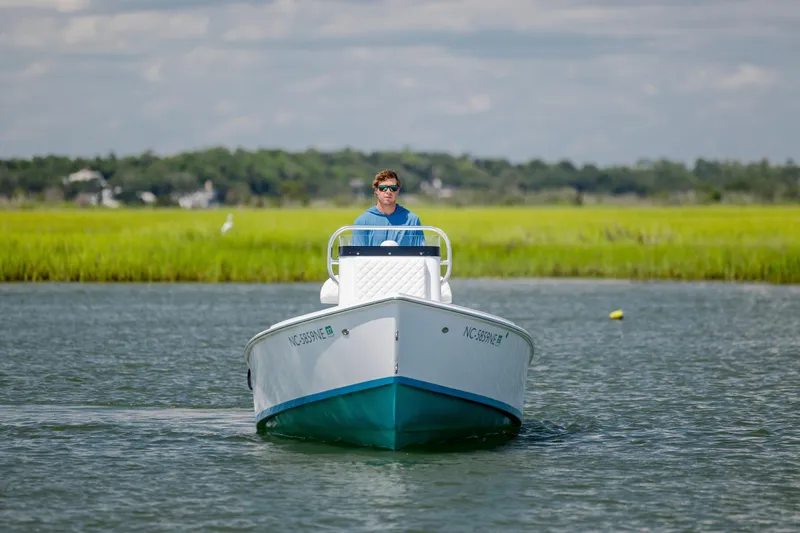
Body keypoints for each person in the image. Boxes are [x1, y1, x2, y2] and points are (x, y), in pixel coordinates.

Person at [352, 169, 425, 246]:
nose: (388, 191)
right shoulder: (362, 222)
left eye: (393, 188)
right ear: (376, 190)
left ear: (398, 190)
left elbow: (420, 254)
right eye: (383, 188)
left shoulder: (412, 221)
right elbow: (359, 256)